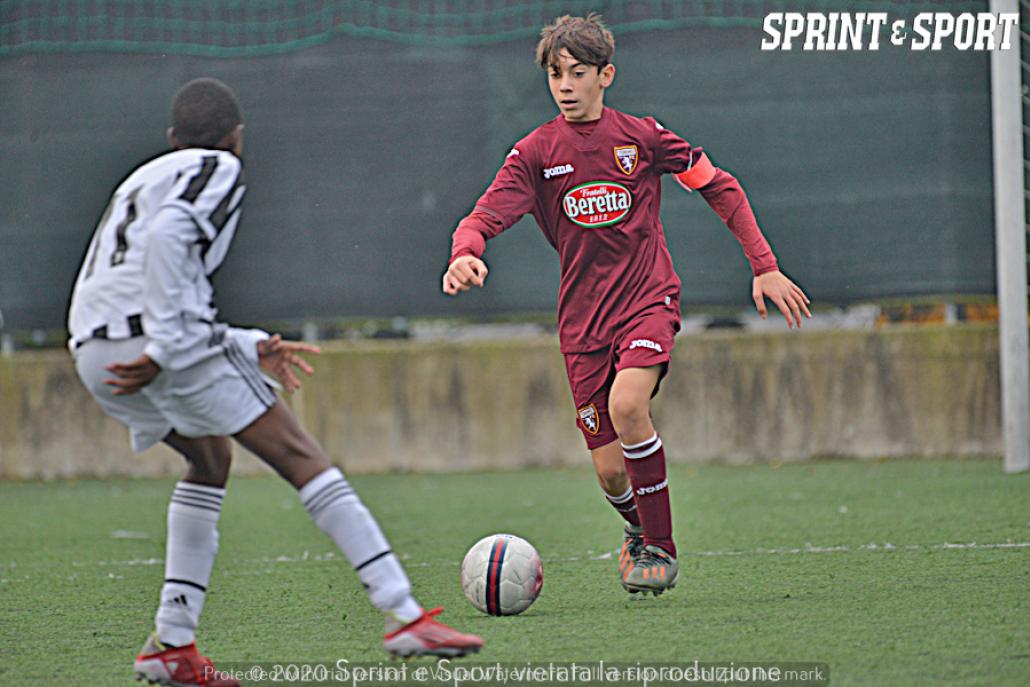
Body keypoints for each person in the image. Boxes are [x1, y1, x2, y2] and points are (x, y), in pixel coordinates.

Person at [68, 78, 483, 686]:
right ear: (237, 138)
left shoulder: (144, 177)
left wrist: (240, 343)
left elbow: (145, 271)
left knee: (209, 459)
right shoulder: (218, 167)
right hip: (152, 341)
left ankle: (171, 646)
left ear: (172, 138)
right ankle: (403, 614)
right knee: (300, 454)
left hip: (92, 350)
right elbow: (168, 240)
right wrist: (165, 347)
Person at [442, 15, 811, 596]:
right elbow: (482, 216)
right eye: (555, 74)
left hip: (647, 300)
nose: (565, 85)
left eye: (577, 72)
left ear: (606, 75)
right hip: (582, 323)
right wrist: (465, 253)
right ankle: (638, 527)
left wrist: (764, 265)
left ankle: (661, 547)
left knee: (628, 404)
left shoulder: (643, 138)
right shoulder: (535, 154)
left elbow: (719, 184)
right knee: (611, 471)